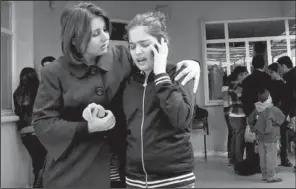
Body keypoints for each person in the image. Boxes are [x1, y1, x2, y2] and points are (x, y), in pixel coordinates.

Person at [32, 2, 201, 188]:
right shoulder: (55, 72)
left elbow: (154, 58)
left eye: (105, 29)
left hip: (121, 168)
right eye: (95, 34)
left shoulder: (121, 56)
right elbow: (42, 123)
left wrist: (193, 64)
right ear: (74, 39)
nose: (105, 37)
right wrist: (86, 127)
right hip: (74, 169)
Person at [119, 12, 196, 188]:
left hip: (174, 180)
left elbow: (182, 120)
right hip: (135, 180)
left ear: (162, 44)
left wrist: (161, 74)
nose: (137, 51)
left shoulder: (180, 74)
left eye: (144, 44)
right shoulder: (129, 82)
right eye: (132, 46)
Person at [13, 67, 47, 188]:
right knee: (43, 160)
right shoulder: (40, 91)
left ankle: (37, 184)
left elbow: (18, 113)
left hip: (24, 132)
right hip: (38, 130)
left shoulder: (17, 94)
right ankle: (38, 184)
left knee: (36, 160)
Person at [248, 88, 285, 183]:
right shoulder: (274, 109)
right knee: (271, 157)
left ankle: (264, 175)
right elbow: (282, 119)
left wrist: (254, 128)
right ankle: (270, 177)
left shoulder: (257, 109)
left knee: (263, 157)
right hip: (272, 137)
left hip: (260, 137)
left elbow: (250, 120)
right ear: (269, 98)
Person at [241, 55, 272, 160]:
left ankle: (251, 161)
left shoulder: (246, 81)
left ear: (253, 66)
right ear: (264, 65)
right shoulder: (268, 78)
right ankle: (266, 162)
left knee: (251, 138)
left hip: (252, 113)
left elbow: (244, 99)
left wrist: (248, 114)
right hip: (267, 113)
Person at [227, 66, 249, 166]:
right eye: (245, 74)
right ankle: (239, 160)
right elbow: (242, 99)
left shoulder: (231, 84)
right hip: (239, 114)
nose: (247, 76)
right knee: (239, 138)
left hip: (232, 113)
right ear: (240, 75)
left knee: (234, 136)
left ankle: (232, 158)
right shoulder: (239, 86)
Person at [277, 56, 296, 167]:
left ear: (284, 66)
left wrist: (293, 114)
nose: (279, 69)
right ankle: (284, 159)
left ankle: (285, 159)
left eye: (279, 67)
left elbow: (292, 97)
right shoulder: (289, 76)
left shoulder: (292, 77)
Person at [222, 74, 232, 164]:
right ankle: (230, 154)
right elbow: (227, 102)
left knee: (231, 133)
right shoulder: (227, 88)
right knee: (232, 133)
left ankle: (230, 154)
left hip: (227, 112)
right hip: (229, 112)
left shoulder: (224, 87)